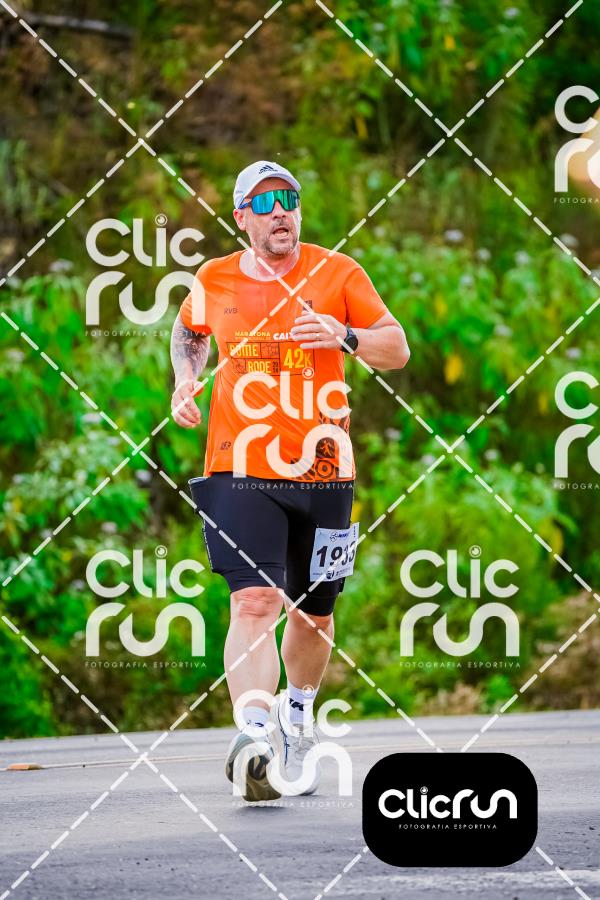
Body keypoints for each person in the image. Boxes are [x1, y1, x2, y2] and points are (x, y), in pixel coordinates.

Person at [170, 160, 410, 802]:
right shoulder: (214, 277)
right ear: (241, 217)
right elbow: (189, 329)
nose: (280, 210)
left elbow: (397, 348)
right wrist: (185, 379)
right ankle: (253, 734)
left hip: (325, 468)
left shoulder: (339, 273)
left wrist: (345, 335)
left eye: (289, 198)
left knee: (314, 613)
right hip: (240, 464)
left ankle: (296, 717)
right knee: (254, 600)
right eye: (264, 201)